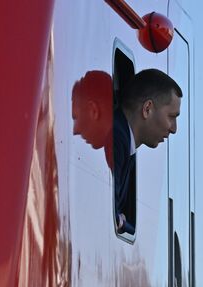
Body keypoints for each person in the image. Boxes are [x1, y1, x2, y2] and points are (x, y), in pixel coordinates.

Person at [72, 69, 182, 234]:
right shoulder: (117, 139)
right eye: (171, 116)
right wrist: (121, 222)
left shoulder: (124, 142)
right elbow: (107, 214)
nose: (174, 129)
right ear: (147, 109)